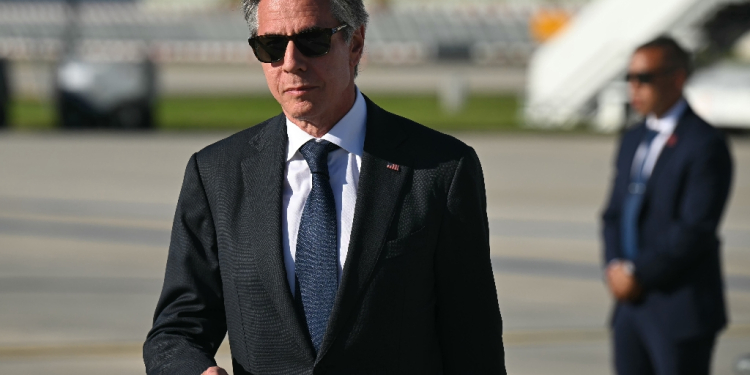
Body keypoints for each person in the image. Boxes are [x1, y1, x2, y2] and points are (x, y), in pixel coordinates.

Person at [143, 0, 506, 373]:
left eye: (312, 41)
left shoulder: (440, 168)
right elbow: (176, 333)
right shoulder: (216, 173)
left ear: (355, 43)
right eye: (270, 46)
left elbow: (473, 343)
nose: (291, 62)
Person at [602, 36, 733, 375]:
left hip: (678, 307)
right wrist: (615, 266)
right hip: (630, 306)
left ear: (676, 79)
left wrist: (638, 273)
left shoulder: (704, 144)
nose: (634, 87)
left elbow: (695, 228)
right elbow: (614, 213)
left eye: (644, 78)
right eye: (629, 78)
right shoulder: (633, 138)